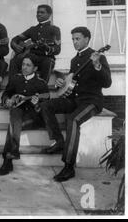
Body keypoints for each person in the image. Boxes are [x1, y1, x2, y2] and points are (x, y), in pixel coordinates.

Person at [39, 26, 111, 182]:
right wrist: (61, 83)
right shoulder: (75, 60)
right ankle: (58, 141)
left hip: (92, 101)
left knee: (73, 119)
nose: (75, 42)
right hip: (75, 100)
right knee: (46, 105)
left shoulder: (98, 57)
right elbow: (72, 83)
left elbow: (107, 83)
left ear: (86, 39)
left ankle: (68, 166)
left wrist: (97, 65)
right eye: (73, 39)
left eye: (77, 39)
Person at [0, 54, 49, 176]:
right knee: (15, 115)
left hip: (33, 117)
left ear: (35, 68)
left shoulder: (41, 84)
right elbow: (6, 93)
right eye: (23, 64)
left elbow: (46, 105)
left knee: (13, 126)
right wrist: (7, 100)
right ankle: (13, 152)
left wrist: (37, 104)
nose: (24, 67)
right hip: (17, 115)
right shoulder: (16, 79)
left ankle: (7, 162)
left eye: (28, 65)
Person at [9, 5, 61, 83]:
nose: (39, 14)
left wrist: (47, 48)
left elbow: (57, 49)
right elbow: (15, 39)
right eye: (38, 12)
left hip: (45, 58)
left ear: (49, 14)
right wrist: (14, 45)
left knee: (48, 62)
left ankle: (42, 89)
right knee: (14, 61)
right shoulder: (33, 29)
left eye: (42, 12)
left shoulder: (54, 29)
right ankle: (11, 87)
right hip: (32, 58)